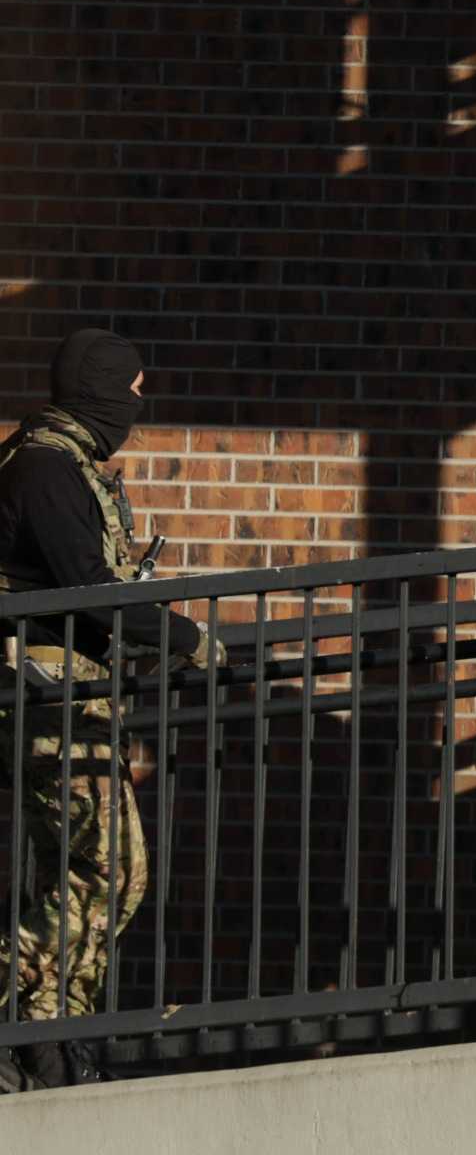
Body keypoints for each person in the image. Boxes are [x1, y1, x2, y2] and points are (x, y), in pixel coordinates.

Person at [0, 329, 217, 1088]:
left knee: (94, 875)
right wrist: (188, 637)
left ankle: (56, 1036)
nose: (136, 404)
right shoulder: (43, 471)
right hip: (41, 701)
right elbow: (92, 591)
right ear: (99, 387)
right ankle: (26, 1016)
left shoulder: (56, 465)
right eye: (130, 391)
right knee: (112, 868)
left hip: (62, 696)